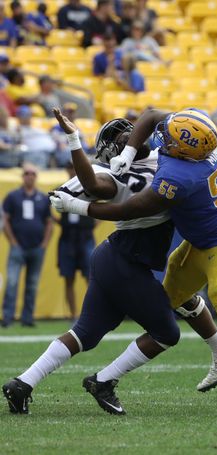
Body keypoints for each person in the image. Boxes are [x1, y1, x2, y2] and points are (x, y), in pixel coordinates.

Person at [49, 108, 217, 414]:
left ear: (184, 152)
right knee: (170, 303)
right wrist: (130, 150)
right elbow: (150, 116)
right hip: (199, 240)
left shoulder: (180, 175)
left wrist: (79, 207)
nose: (164, 140)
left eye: (171, 142)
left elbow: (130, 210)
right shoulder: (197, 135)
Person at [3, 112, 181, 415]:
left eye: (129, 130)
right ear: (111, 150)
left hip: (115, 258)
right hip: (126, 262)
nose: (128, 134)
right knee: (167, 333)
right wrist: (74, 140)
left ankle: (22, 384)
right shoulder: (113, 175)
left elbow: (151, 119)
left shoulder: (162, 157)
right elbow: (93, 184)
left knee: (85, 334)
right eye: (120, 136)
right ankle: (104, 381)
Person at [1, 163, 52, 328]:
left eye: (32, 173)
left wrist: (44, 244)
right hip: (18, 247)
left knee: (32, 284)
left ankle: (27, 319)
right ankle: (7, 318)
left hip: (37, 248)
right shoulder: (13, 196)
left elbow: (49, 222)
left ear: (35, 177)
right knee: (12, 283)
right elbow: (5, 220)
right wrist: (13, 242)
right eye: (26, 173)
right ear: (22, 176)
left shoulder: (43, 198)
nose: (29, 176)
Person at [58, 161, 96, 321]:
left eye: (74, 168)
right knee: (68, 277)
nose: (72, 171)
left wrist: (93, 223)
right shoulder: (61, 188)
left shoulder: (88, 187)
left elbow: (102, 204)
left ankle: (91, 314)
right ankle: (74, 316)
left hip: (85, 235)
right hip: (68, 237)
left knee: (91, 277)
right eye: (69, 168)